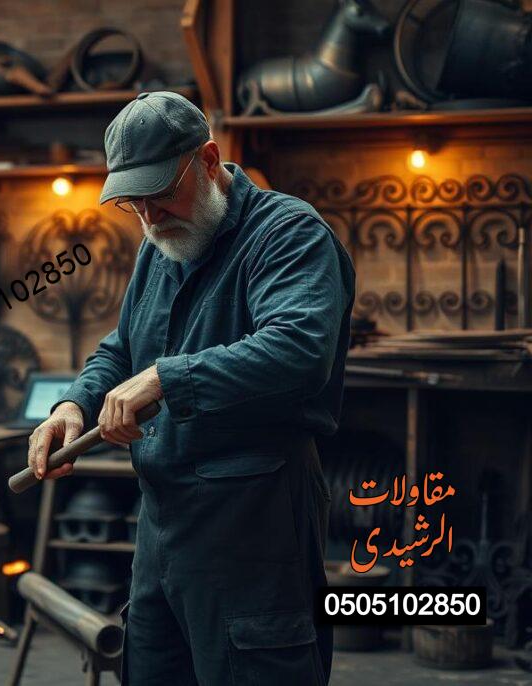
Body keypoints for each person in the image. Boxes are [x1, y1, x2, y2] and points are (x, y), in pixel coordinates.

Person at [26, 92, 354, 685]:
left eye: (160, 195)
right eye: (134, 203)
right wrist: (76, 402)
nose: (150, 218)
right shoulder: (164, 244)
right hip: (163, 524)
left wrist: (165, 377)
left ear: (208, 159)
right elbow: (123, 345)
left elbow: (300, 348)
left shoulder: (288, 234)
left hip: (255, 521)